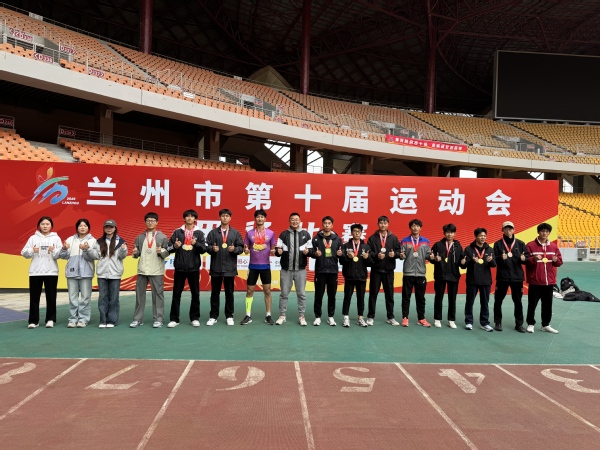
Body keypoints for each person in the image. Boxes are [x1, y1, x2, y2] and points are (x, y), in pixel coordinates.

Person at [167, 209, 207, 328]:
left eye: (192, 216)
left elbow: (204, 250)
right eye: (187, 216)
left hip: (193, 268)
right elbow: (168, 248)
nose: (189, 218)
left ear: (195, 219)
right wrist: (175, 246)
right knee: (176, 294)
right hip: (180, 268)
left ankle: (194, 318)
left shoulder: (199, 233)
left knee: (195, 294)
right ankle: (174, 319)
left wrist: (196, 244)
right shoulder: (177, 232)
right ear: (184, 218)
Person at [130, 212, 170, 328]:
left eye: (152, 220)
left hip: (156, 270)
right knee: (139, 295)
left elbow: (166, 253)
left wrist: (161, 251)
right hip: (142, 270)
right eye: (148, 220)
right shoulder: (140, 237)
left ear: (157, 222)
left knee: (158, 295)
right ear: (145, 222)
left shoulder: (162, 237)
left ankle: (158, 319)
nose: (150, 222)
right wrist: (135, 253)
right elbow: (136, 254)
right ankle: (137, 319)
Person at [21, 216, 62, 329]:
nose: (45, 226)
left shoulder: (56, 238)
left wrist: (53, 250)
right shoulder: (33, 238)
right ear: (39, 225)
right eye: (43, 224)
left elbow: (60, 254)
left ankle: (50, 319)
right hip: (35, 271)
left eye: (47, 224)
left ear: (51, 226)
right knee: (34, 297)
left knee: (51, 296)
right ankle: (33, 321)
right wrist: (32, 250)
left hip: (51, 271)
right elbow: (24, 252)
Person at [205, 208, 244, 326]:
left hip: (229, 268)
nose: (225, 218)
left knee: (229, 293)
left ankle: (229, 315)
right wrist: (212, 249)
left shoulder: (235, 233)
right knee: (214, 293)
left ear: (230, 218)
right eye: (223, 216)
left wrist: (235, 249)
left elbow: (241, 248)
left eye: (227, 216)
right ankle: (213, 316)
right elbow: (206, 247)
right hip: (216, 267)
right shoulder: (213, 233)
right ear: (219, 217)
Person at [275, 212, 312, 326]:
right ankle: (282, 315)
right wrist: (278, 252)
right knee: (284, 294)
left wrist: (308, 252)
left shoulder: (306, 234)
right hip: (286, 270)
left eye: (296, 219)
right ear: (289, 221)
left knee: (301, 294)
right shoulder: (283, 234)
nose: (294, 221)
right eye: (292, 219)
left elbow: (311, 250)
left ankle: (301, 316)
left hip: (300, 270)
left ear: (300, 221)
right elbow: (277, 250)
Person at [525, 223, 563, 334]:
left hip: (548, 282)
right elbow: (525, 261)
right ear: (538, 232)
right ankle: (530, 324)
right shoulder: (530, 245)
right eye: (542, 231)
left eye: (547, 231)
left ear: (549, 233)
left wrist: (556, 260)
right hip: (535, 281)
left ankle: (545, 325)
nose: (544, 233)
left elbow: (559, 262)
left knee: (547, 305)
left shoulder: (553, 246)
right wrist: (533, 259)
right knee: (532, 304)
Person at [59, 219, 97, 328]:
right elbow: (63, 256)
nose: (82, 228)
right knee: (72, 298)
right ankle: (73, 319)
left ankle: (83, 319)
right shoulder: (70, 239)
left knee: (85, 298)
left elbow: (95, 256)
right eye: (80, 226)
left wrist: (87, 249)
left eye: (85, 226)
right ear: (77, 228)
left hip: (86, 273)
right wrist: (64, 249)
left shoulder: (93, 241)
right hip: (72, 272)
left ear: (88, 228)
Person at [241, 209, 276, 325]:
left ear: (265, 219)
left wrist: (273, 251)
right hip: (253, 266)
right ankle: (248, 315)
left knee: (267, 291)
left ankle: (268, 315)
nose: (260, 219)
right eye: (258, 217)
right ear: (255, 219)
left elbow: (273, 248)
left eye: (262, 217)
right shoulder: (249, 233)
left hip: (265, 266)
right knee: (249, 290)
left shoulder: (270, 233)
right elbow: (246, 248)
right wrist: (246, 250)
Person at [493, 221, 527, 333]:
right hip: (503, 277)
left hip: (517, 277)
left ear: (514, 230)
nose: (508, 231)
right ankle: (498, 322)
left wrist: (524, 259)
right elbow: (493, 260)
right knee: (498, 300)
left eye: (510, 228)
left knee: (518, 301)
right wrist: (500, 258)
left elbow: (526, 259)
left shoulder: (520, 244)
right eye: (506, 229)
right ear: (502, 230)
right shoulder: (498, 244)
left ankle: (519, 324)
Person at [92, 219, 127, 328]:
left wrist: (123, 249)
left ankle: (112, 320)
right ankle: (103, 320)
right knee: (103, 297)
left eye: (111, 227)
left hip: (115, 273)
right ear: (104, 228)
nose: (109, 229)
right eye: (107, 227)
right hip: (102, 273)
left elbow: (122, 256)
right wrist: (87, 250)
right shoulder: (99, 241)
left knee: (114, 298)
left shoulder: (120, 241)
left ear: (115, 228)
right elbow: (95, 255)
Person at [366, 215, 400, 326]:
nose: (383, 225)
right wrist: (376, 255)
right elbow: (368, 252)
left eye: (385, 223)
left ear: (388, 224)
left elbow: (399, 251)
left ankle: (390, 317)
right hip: (376, 270)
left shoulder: (393, 238)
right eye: (381, 223)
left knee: (389, 295)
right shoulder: (372, 238)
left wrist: (394, 254)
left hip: (389, 271)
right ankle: (370, 316)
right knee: (373, 294)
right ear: (378, 224)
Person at [310, 216, 343, 326]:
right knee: (318, 295)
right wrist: (315, 254)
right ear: (322, 224)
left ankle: (330, 317)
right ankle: (317, 317)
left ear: (332, 225)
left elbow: (341, 253)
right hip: (320, 271)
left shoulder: (337, 239)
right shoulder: (316, 239)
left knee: (332, 295)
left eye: (329, 223)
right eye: (325, 223)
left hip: (333, 271)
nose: (327, 225)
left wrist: (341, 254)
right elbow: (310, 252)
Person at [462, 228, 496, 331]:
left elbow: (494, 264)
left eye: (484, 236)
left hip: (485, 280)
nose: (483, 238)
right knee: (470, 301)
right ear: (476, 236)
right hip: (472, 280)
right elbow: (464, 265)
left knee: (485, 303)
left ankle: (484, 323)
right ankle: (469, 322)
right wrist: (472, 261)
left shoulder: (489, 249)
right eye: (481, 236)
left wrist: (491, 261)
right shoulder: (469, 249)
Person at [429, 223, 463, 329]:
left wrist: (463, 262)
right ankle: (437, 319)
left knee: (452, 298)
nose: (449, 234)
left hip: (453, 275)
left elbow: (462, 262)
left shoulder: (458, 246)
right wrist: (434, 259)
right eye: (447, 232)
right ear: (444, 233)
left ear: (455, 234)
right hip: (440, 274)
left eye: (452, 232)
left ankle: (451, 320)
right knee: (439, 297)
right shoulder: (438, 245)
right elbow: (431, 258)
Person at [400, 219, 432, 327]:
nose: (415, 228)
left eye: (417, 226)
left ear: (420, 228)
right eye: (413, 226)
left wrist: (431, 257)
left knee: (421, 298)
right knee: (406, 297)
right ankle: (405, 318)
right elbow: (402, 255)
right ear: (410, 227)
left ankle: (421, 318)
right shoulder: (404, 241)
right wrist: (401, 255)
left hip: (421, 273)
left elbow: (427, 255)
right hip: (408, 273)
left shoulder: (426, 241)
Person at [339, 223, 371, 327]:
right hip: (349, 276)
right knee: (347, 297)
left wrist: (367, 258)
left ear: (361, 233)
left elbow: (371, 263)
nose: (356, 233)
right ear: (351, 233)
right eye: (354, 231)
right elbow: (341, 261)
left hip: (361, 277)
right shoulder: (346, 246)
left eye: (358, 231)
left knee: (361, 298)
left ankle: (360, 318)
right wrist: (348, 257)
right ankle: (346, 317)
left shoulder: (366, 247)